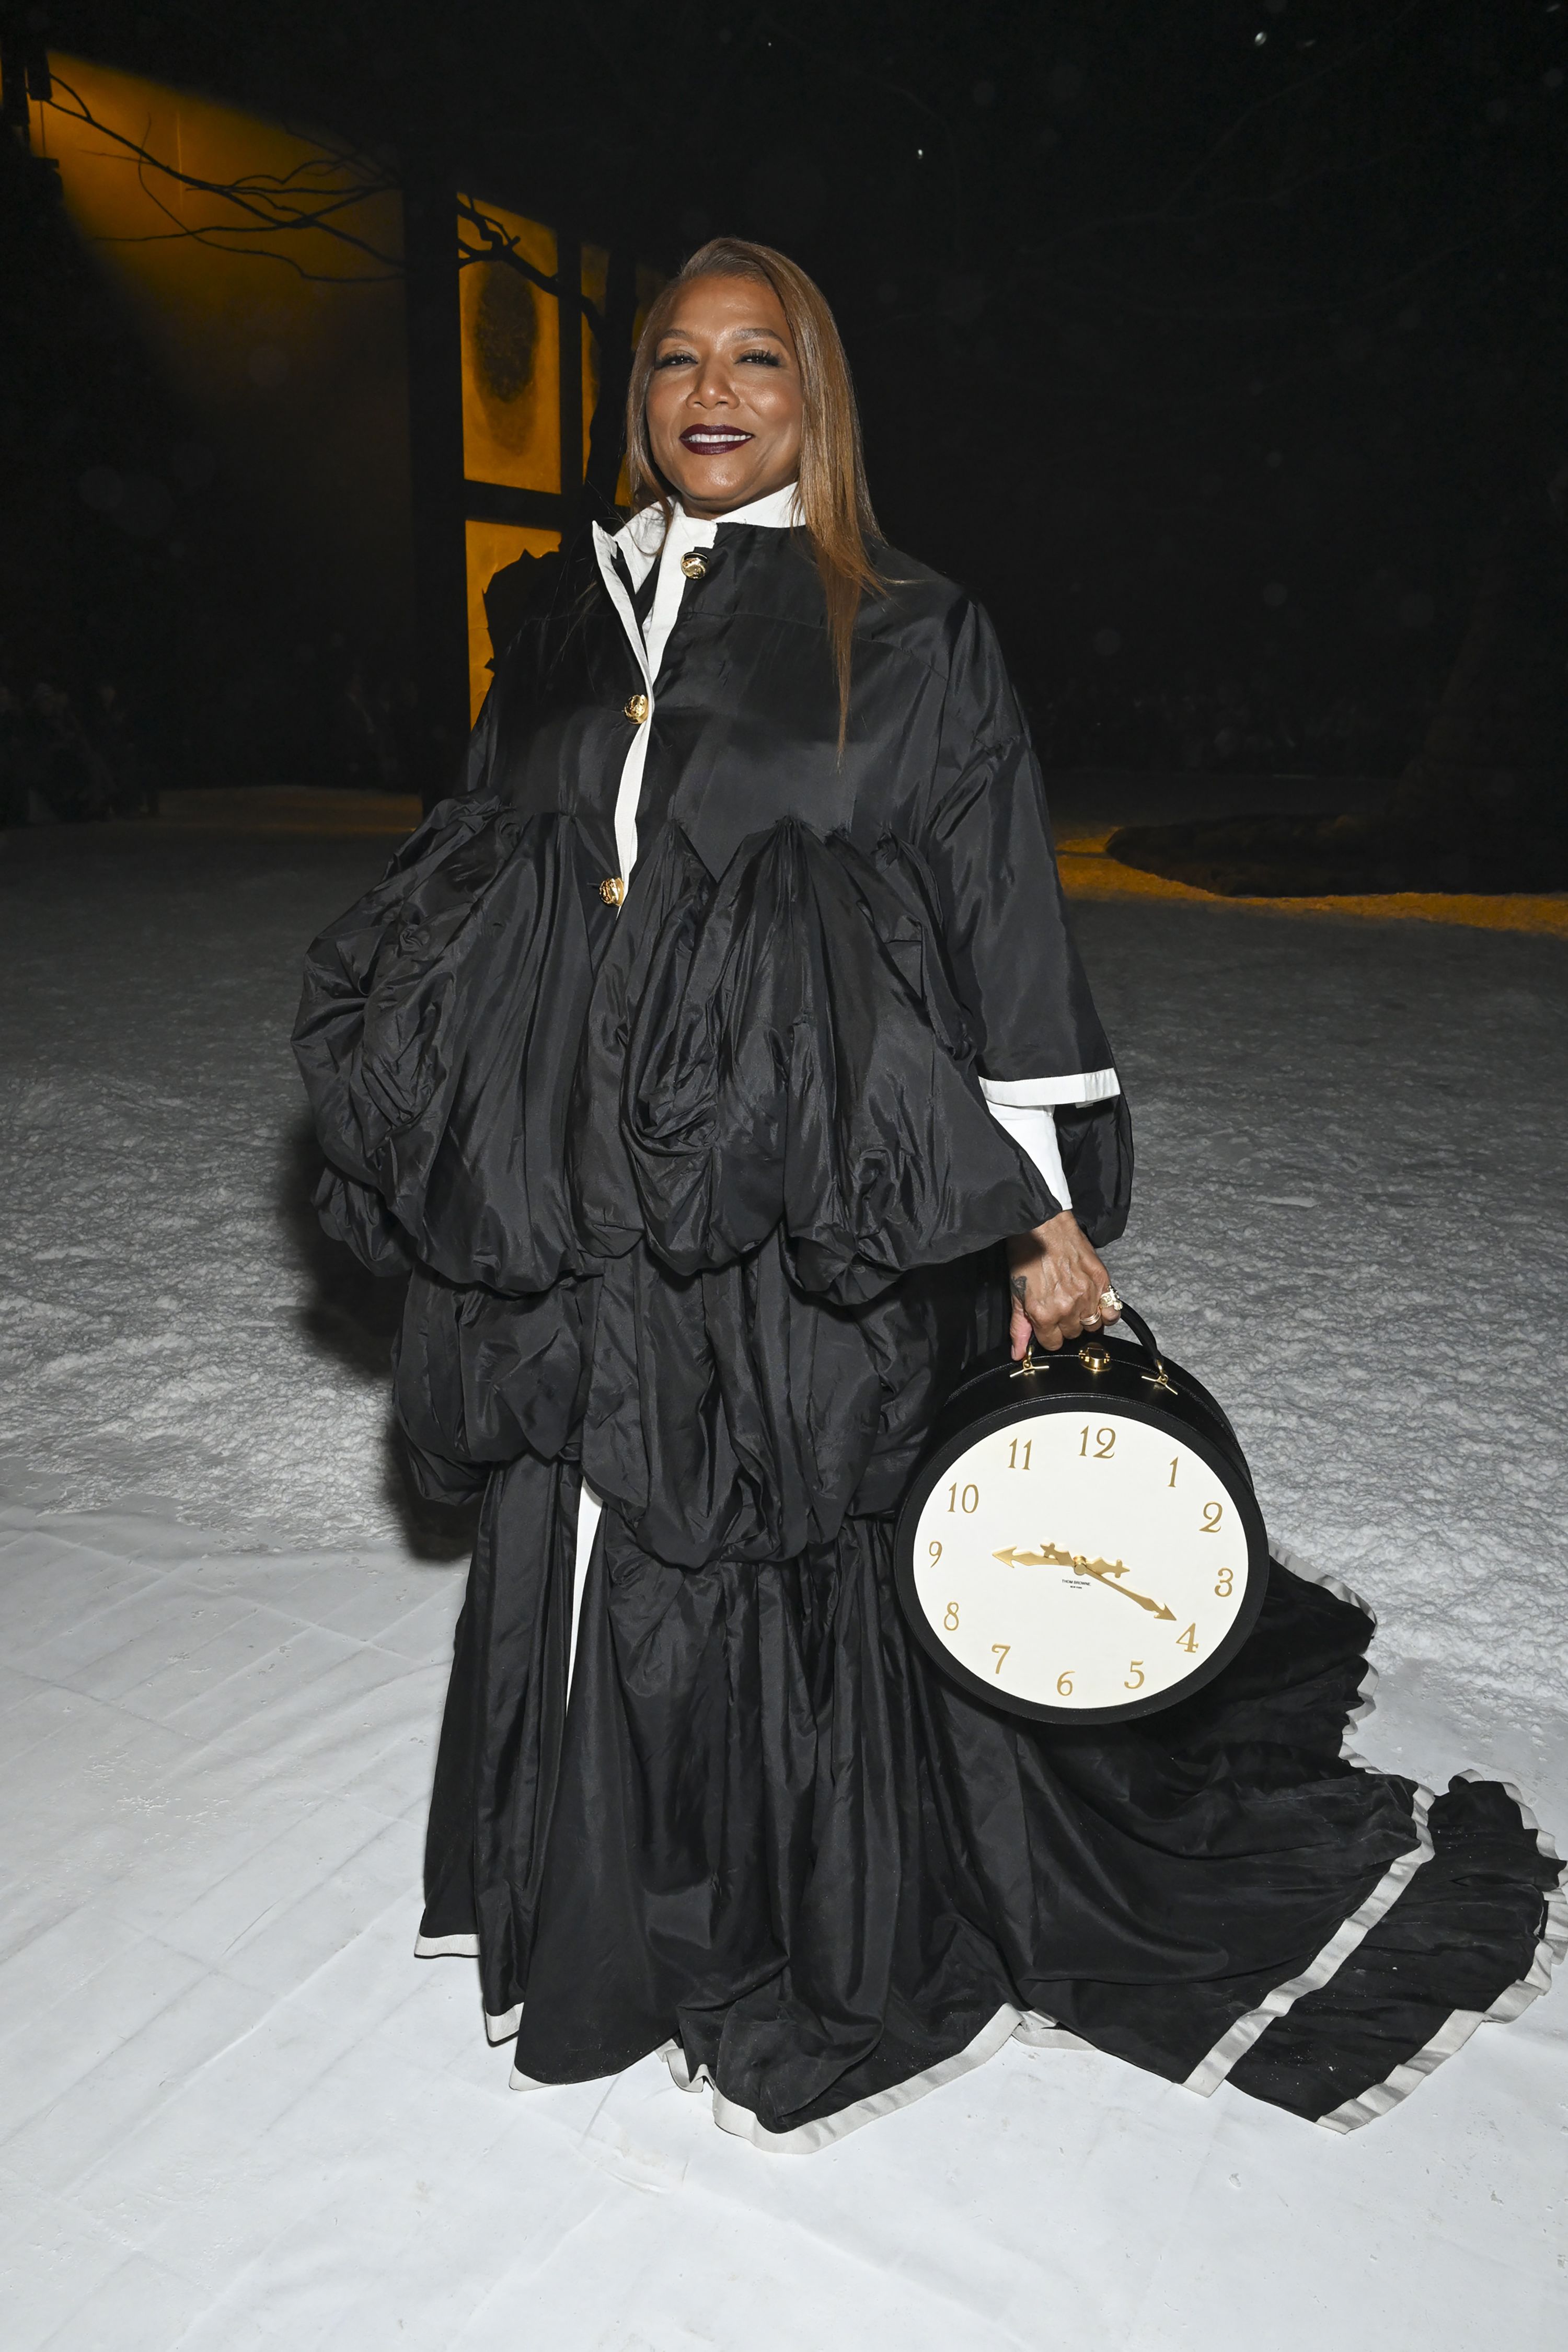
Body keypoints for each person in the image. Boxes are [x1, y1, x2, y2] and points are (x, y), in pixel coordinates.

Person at [295, 239, 1561, 2152]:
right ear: (635, 400)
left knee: (781, 1532)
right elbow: (485, 873)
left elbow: (997, 935)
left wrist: (1042, 1218)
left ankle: (791, 1923)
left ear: (818, 399)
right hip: (583, 1191)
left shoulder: (906, 627)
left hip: (805, 1198)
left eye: (758, 362)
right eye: (672, 363)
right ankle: (602, 1912)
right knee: (599, 1531)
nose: (710, 393)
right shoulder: (553, 615)